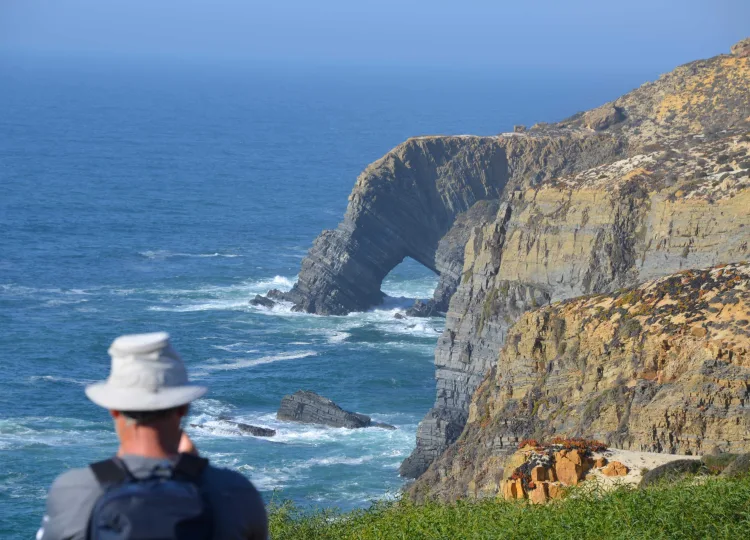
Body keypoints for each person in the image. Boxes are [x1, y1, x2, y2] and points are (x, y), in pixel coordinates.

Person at [37, 332, 268, 540]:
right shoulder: (236, 492)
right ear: (183, 407)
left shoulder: (74, 491)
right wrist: (195, 472)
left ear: (113, 409)